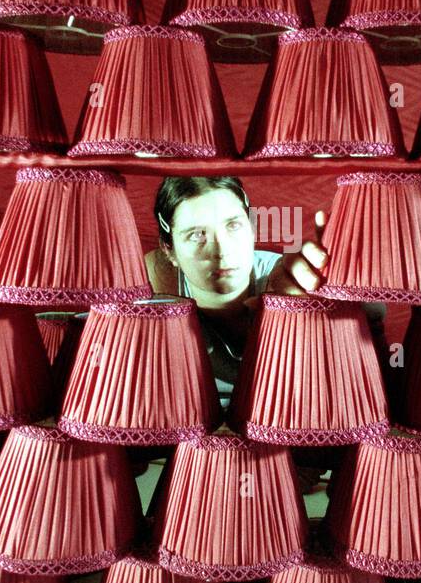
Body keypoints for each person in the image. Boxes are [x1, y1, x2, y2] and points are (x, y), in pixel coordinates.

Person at [145, 175, 384, 408]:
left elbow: (374, 312)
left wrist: (344, 287)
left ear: (252, 229)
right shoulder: (150, 289)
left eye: (233, 225)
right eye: (197, 235)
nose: (222, 250)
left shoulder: (284, 278)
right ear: (169, 251)